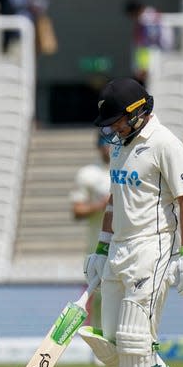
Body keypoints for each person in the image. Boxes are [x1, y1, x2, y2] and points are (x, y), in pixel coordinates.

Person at [79, 77, 183, 367]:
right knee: (112, 346)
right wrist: (102, 249)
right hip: (119, 248)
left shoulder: (165, 143)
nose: (112, 129)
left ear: (136, 113)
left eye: (115, 121)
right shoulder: (120, 146)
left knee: (135, 343)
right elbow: (113, 199)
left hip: (153, 246)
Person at [69, 132, 111, 328]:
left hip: (126, 242)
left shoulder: (130, 170)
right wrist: (101, 205)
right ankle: (97, 345)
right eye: (105, 143)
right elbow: (77, 210)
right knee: (98, 296)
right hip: (98, 245)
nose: (109, 148)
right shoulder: (89, 174)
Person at [124, 0, 174, 84]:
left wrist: (143, 66)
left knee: (142, 51)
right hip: (157, 49)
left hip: (159, 50)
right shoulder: (148, 14)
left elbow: (152, 39)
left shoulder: (146, 18)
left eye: (131, 15)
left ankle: (143, 71)